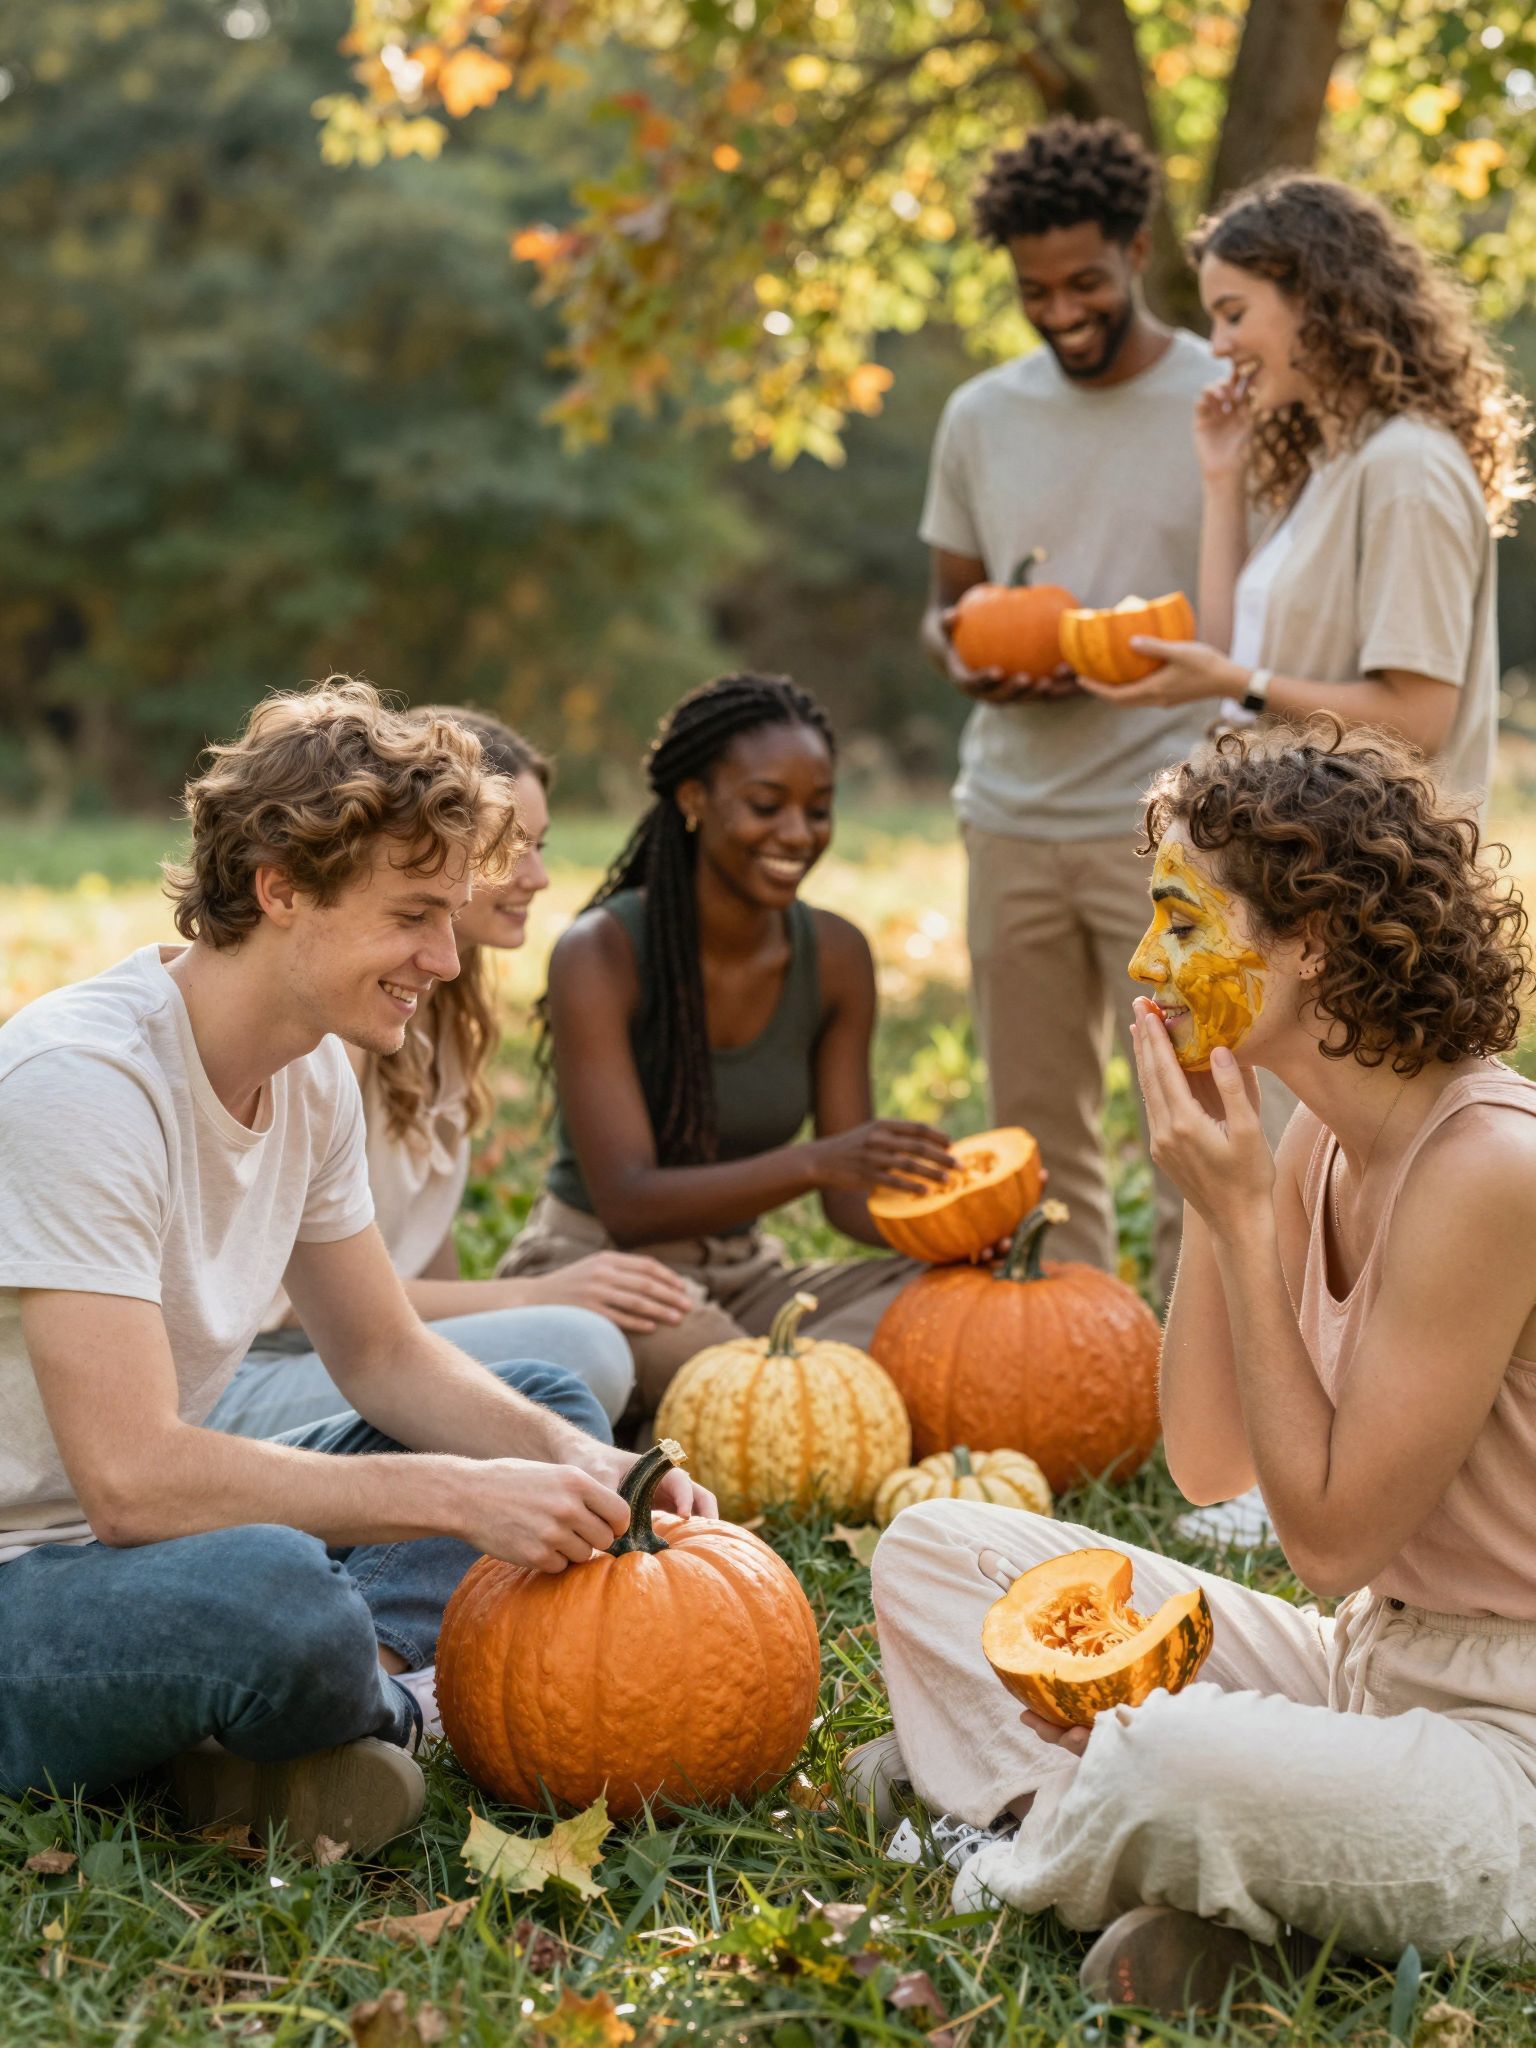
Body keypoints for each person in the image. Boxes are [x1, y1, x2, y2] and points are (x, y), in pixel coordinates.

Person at [863, 720, 1536, 2011]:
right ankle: (1176, 1864)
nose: (1143, 961)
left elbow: (1329, 1539)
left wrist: (1234, 1220)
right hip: (1362, 1668)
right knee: (934, 1556)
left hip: (1506, 1751)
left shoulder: (1488, 1171)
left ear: (1313, 942)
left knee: (1173, 1760)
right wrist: (1216, 1193)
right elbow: (1206, 1457)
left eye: (1182, 919)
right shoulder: (1318, 1143)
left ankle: (1028, 1831)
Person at [0, 678, 713, 1847]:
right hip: (28, 1572)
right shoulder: (84, 1083)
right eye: (412, 914)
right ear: (281, 887)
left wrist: (589, 1461)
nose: (444, 955)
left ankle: (291, 1726)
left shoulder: (315, 1069)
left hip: (148, 1545)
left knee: (538, 1400)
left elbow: (384, 1354)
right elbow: (129, 1479)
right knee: (278, 1597)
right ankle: (338, 1698)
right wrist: (457, 1492)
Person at [920, 116, 1218, 1300]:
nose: (1060, 309)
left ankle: (1206, 1392)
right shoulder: (981, 416)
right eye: (1034, 289)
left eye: (1085, 281)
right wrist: (975, 662)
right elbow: (946, 609)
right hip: (1011, 811)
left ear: (1138, 251)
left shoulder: (1221, 401)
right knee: (1038, 1130)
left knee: (1193, 1116)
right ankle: (1082, 1354)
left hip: (1173, 813)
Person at [210, 708, 690, 1441]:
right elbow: (312, 1309)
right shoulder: (323, 1034)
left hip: (361, 1352)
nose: (534, 875)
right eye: (512, 847)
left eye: (537, 846)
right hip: (262, 1367)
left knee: (569, 1360)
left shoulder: (439, 1021)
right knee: (576, 1349)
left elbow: (418, 1271)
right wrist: (533, 1295)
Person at [500, 671, 957, 1416]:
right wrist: (816, 1161)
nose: (798, 834)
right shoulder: (603, 952)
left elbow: (848, 1203)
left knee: (951, 1311)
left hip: (749, 1278)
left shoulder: (837, 956)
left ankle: (744, 1396)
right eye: (767, 806)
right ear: (693, 800)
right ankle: (736, 1403)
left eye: (819, 810)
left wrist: (966, 1241)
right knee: (741, 1380)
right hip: (604, 1270)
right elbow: (630, 1201)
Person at [1078, 172, 1530, 817]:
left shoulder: (1409, 467)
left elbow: (1418, 719)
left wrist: (1240, 683)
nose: (1220, 345)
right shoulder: (1331, 464)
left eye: (1234, 314)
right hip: (1297, 869)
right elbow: (1231, 657)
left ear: (1320, 300)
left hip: (1377, 888)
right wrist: (1222, 478)